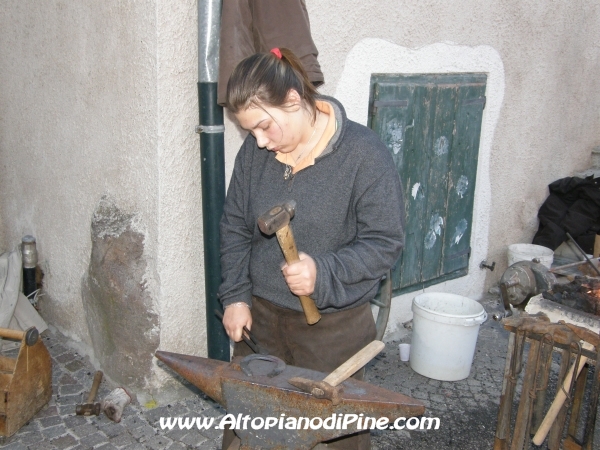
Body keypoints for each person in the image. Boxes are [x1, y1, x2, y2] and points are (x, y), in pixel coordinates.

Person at [218, 47, 405, 450]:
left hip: (333, 333)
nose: (260, 142)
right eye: (250, 132)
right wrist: (235, 296)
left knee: (332, 437)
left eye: (265, 127)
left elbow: (384, 243)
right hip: (261, 323)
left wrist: (324, 272)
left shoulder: (364, 155)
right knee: (250, 433)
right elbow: (234, 225)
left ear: (293, 101)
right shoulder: (255, 154)